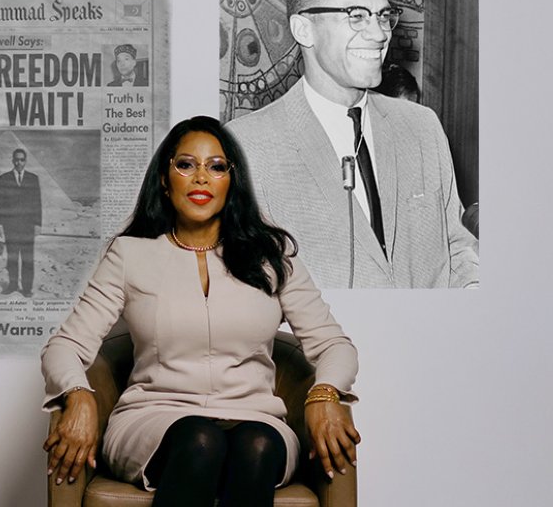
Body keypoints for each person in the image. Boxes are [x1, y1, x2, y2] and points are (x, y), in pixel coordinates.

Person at [41, 116, 360, 507]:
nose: (201, 178)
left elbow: (335, 344)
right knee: (201, 440)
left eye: (216, 167)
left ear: (232, 180)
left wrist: (324, 395)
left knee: (256, 444)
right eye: (186, 165)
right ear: (164, 177)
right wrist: (78, 394)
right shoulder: (130, 255)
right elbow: (64, 346)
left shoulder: (272, 257)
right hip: (154, 421)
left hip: (256, 420)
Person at [226, 0, 478, 289]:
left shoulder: (423, 127)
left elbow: (456, 246)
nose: (379, 34)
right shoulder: (244, 148)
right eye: (356, 16)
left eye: (383, 15)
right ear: (304, 29)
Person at [0, 148, 41, 297]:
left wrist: (38, 224)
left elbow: (37, 203)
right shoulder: (4, 178)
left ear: (25, 161)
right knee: (12, 258)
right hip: (11, 227)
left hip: (28, 227)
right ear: (12, 160)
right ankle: (13, 285)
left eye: (22, 159)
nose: (19, 162)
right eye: (16, 159)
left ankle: (27, 289)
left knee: (27, 259)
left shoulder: (33, 179)